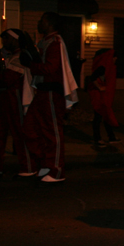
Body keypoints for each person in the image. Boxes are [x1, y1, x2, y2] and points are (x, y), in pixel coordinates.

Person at [20, 12, 79, 183]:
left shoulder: (55, 43)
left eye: (42, 21)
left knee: (52, 132)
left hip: (52, 92)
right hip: (42, 92)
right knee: (31, 128)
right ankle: (46, 163)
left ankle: (57, 170)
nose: (39, 23)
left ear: (50, 24)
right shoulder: (46, 42)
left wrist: (31, 65)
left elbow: (50, 69)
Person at [0, 29, 35, 177]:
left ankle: (28, 166)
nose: (4, 42)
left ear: (14, 40)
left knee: (20, 132)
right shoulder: (12, 56)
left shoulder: (21, 56)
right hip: (6, 98)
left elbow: (9, 78)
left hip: (15, 97)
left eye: (6, 39)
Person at [88, 48, 120, 146]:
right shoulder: (102, 67)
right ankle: (97, 138)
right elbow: (92, 77)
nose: (115, 60)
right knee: (98, 117)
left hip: (103, 96)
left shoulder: (107, 67)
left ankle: (111, 137)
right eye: (114, 58)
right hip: (99, 97)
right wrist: (100, 87)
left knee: (106, 116)